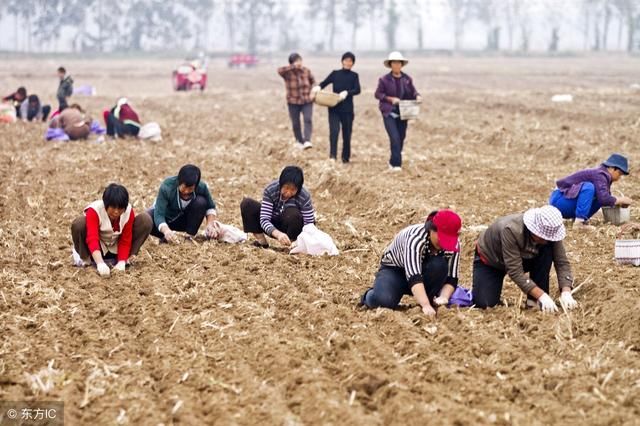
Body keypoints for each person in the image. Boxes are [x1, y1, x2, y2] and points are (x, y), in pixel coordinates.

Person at [473, 206, 578, 312]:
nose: (546, 240)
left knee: (547, 250)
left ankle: (534, 302)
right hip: (492, 261)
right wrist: (542, 296)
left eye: (548, 237)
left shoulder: (551, 233)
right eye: (542, 237)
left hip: (525, 257)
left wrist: (566, 291)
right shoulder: (511, 229)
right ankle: (539, 297)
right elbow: (515, 270)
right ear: (533, 229)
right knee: (484, 304)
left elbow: (562, 262)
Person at [359, 210, 462, 317]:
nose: (444, 243)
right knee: (384, 301)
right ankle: (369, 296)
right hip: (396, 271)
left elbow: (452, 278)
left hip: (425, 271)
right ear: (431, 229)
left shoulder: (454, 245)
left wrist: (444, 297)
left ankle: (429, 298)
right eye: (442, 238)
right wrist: (425, 305)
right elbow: (414, 277)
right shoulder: (415, 238)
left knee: (439, 265)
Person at [71, 183, 153, 277]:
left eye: (120, 208)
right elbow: (92, 238)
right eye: (113, 207)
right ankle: (87, 260)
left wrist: (121, 261)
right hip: (97, 248)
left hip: (116, 246)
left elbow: (125, 239)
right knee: (79, 224)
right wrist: (100, 263)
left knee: (145, 220)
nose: (116, 212)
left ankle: (126, 259)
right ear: (106, 204)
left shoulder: (128, 212)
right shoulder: (94, 210)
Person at [550, 154, 633, 230]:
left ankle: (578, 219)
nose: (619, 177)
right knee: (589, 187)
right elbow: (604, 199)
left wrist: (617, 203)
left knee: (600, 197)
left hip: (564, 203)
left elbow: (605, 199)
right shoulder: (600, 174)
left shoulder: (603, 176)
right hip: (559, 200)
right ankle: (579, 222)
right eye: (619, 173)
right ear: (612, 168)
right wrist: (621, 200)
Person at [240, 166, 315, 248]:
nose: (288, 192)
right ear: (281, 184)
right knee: (247, 204)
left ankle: (293, 244)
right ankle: (261, 242)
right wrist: (278, 234)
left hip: (291, 225)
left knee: (294, 214)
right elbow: (264, 219)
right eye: (286, 188)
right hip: (272, 222)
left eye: (293, 190)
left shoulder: (304, 196)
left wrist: (300, 240)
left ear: (299, 188)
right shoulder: (271, 190)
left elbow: (309, 224)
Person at [147, 164, 221, 243]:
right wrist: (166, 231)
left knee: (201, 202)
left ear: (196, 185)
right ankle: (167, 237)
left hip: (185, 221)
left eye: (190, 189)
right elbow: (159, 214)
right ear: (178, 181)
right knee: (148, 218)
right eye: (184, 187)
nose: (186, 191)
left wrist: (210, 224)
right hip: (166, 219)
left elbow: (210, 207)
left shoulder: (201, 187)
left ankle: (189, 237)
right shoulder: (167, 186)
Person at [374, 51, 422, 171]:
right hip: (389, 112)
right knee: (394, 137)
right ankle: (397, 165)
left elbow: (413, 92)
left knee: (401, 138)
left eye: (398, 63)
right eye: (394, 63)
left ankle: (392, 161)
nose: (396, 65)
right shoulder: (384, 79)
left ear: (402, 64)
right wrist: (390, 99)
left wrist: (418, 96)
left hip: (403, 112)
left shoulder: (407, 79)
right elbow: (378, 94)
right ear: (390, 65)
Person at [313, 51, 361, 163]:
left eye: (350, 61)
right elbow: (325, 82)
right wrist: (318, 87)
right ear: (342, 61)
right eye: (346, 60)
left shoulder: (354, 76)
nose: (348, 63)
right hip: (334, 107)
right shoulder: (335, 73)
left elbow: (357, 90)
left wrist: (347, 93)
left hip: (348, 110)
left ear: (353, 63)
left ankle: (345, 158)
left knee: (347, 134)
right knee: (334, 132)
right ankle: (332, 156)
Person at [278, 53, 316, 150]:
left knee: (308, 119)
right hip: (293, 101)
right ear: (291, 63)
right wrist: (292, 67)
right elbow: (279, 71)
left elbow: (314, 82)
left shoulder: (306, 71)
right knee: (296, 123)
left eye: (300, 60)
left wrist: (313, 92)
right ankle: (299, 141)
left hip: (307, 100)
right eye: (296, 61)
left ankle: (307, 140)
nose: (299, 63)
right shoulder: (287, 73)